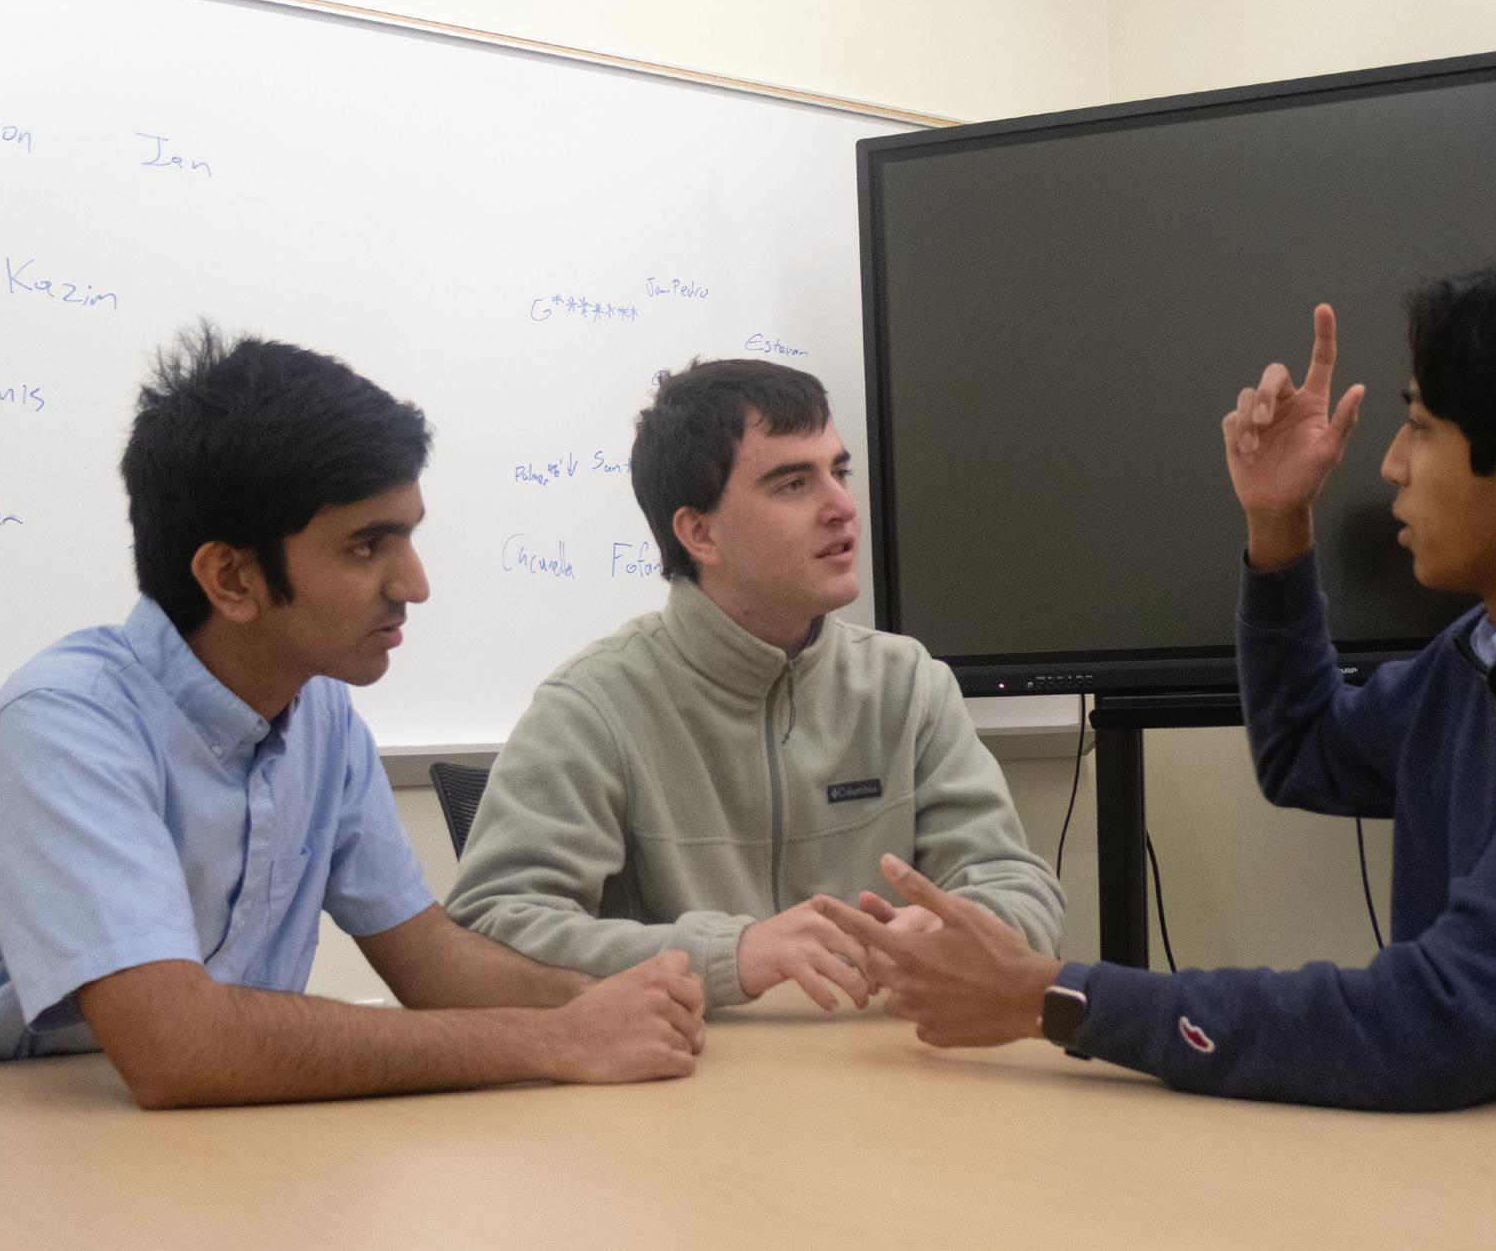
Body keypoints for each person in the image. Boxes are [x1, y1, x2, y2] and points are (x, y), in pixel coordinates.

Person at [815, 256, 1496, 1110]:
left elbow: (1446, 1019)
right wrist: (1277, 525)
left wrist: (1054, 997)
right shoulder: (1483, 652)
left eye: (1422, 428)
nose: (1390, 465)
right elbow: (1304, 751)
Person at [0, 325, 704, 1106]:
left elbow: (428, 959)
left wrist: (610, 1006)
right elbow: (179, 1049)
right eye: (367, 546)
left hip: (171, 1142)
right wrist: (553, 1040)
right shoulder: (65, 725)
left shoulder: (320, 712)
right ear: (231, 578)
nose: (414, 584)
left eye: (410, 536)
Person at [447, 359, 1065, 1011]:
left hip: (887, 1057)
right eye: (794, 484)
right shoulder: (593, 706)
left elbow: (1017, 886)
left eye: (839, 472)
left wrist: (959, 929)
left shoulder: (908, 684)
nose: (842, 507)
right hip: (689, 1062)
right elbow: (489, 929)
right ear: (700, 533)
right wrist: (729, 954)